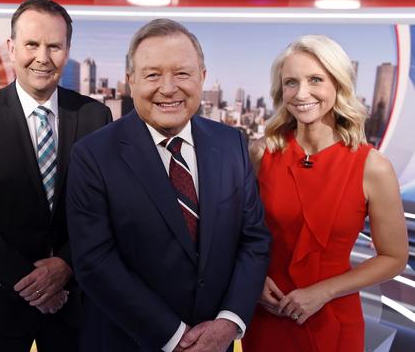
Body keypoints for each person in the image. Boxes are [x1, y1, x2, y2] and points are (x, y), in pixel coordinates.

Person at [66, 18, 271, 352]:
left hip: (216, 341)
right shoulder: (93, 155)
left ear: (202, 78)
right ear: (130, 81)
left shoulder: (232, 143)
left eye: (182, 73)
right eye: (152, 74)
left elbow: (254, 239)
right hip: (127, 341)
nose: (169, 87)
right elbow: (95, 262)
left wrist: (229, 322)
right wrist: (175, 337)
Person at [0, 0, 112, 352]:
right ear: (11, 47)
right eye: (32, 44)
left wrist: (65, 265)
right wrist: (29, 282)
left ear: (67, 51)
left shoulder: (95, 117)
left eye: (54, 46)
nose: (43, 57)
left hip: (75, 303)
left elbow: (104, 208)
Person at [242, 35, 408, 352]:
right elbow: (237, 232)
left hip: (333, 317)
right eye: (291, 82)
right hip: (267, 313)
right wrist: (254, 281)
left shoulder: (373, 166)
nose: (302, 93)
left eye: (315, 79)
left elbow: (394, 257)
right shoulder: (261, 154)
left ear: (338, 84)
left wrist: (324, 292)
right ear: (281, 91)